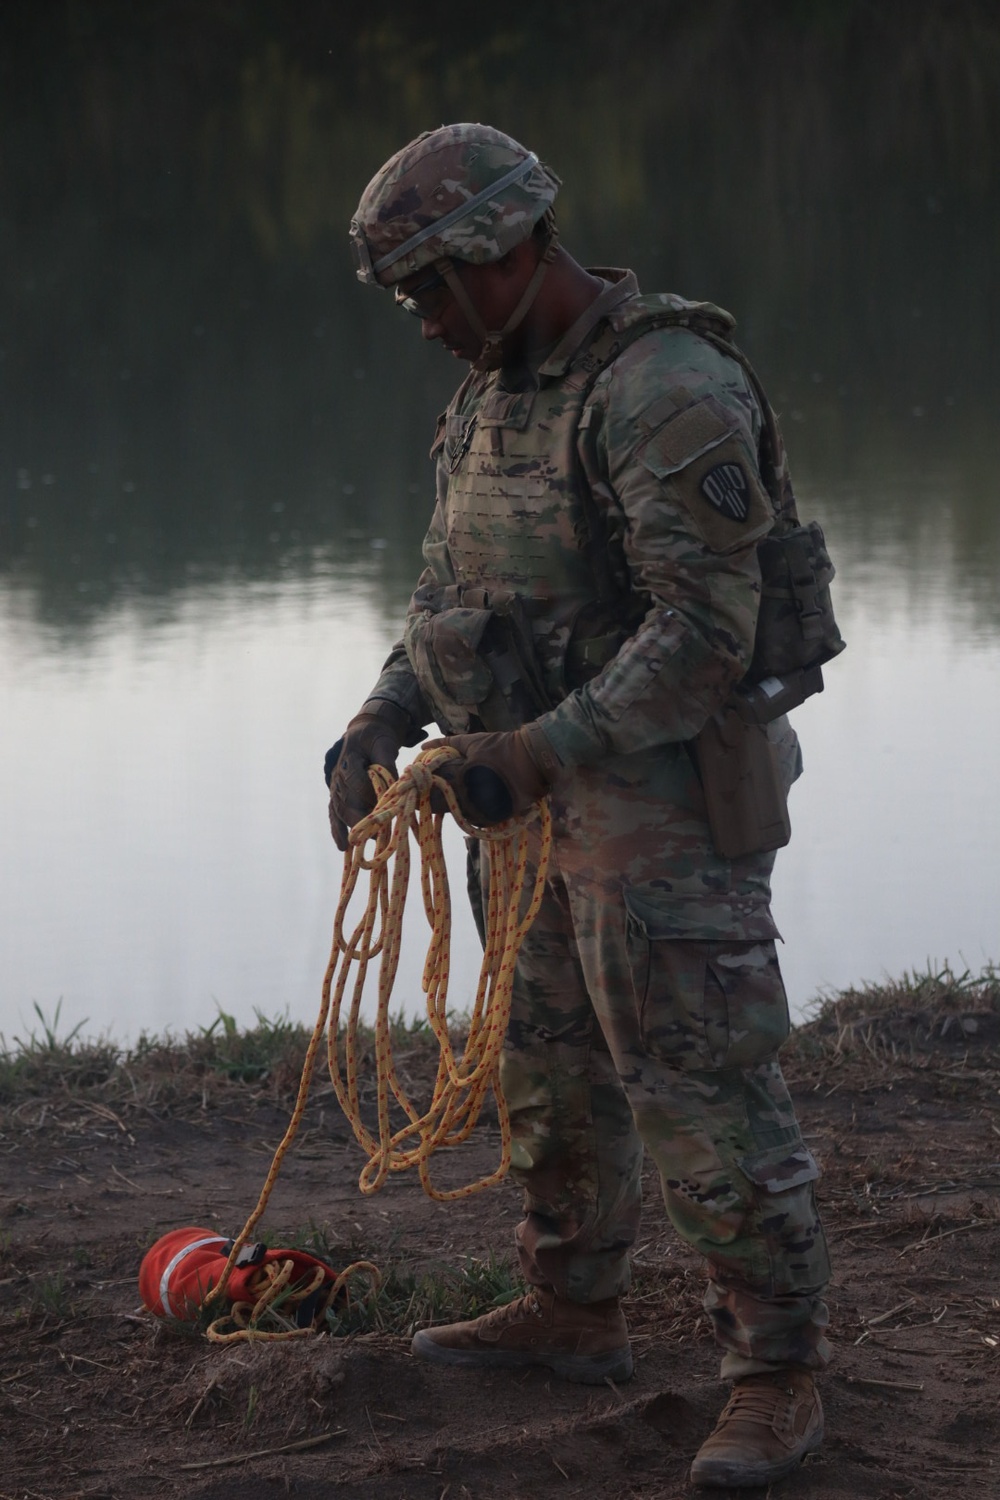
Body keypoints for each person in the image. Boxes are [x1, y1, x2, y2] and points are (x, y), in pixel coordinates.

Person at [328, 123, 832, 1490]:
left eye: (436, 287)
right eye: (410, 298)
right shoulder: (493, 396)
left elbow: (704, 633)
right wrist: (384, 718)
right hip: (534, 805)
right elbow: (448, 597)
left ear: (507, 251)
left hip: (664, 810)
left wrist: (542, 750)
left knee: (701, 1091)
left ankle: (777, 1373)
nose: (426, 322)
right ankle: (572, 1311)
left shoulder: (665, 387)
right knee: (548, 1064)